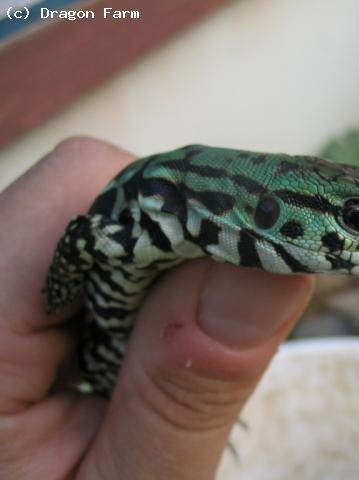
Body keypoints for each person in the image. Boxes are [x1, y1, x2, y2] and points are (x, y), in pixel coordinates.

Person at [0, 137, 314, 479]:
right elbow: (80, 238)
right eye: (358, 219)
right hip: (101, 350)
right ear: (271, 211)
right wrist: (55, 293)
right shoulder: (152, 229)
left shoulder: (186, 231)